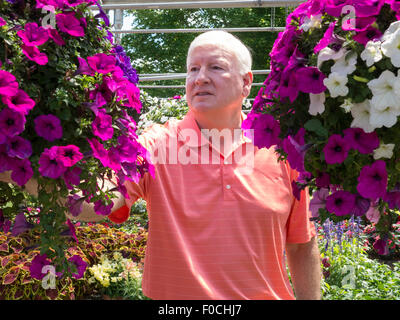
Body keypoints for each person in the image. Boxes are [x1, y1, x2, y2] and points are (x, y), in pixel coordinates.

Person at [3, 31, 322, 300]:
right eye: (193, 69)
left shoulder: (280, 150)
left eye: (215, 67)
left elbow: (302, 244)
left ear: (246, 83)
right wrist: (15, 168)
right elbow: (97, 203)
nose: (200, 78)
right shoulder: (157, 144)